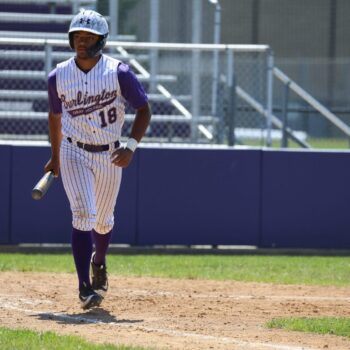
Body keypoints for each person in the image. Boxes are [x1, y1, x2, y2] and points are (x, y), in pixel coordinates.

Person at [44, 9, 151, 309]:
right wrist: (55, 156)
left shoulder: (119, 73)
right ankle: (84, 288)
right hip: (73, 150)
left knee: (103, 222)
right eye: (78, 36)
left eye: (88, 37)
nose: (81, 41)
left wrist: (131, 146)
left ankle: (99, 261)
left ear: (101, 40)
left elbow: (144, 109)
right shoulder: (58, 75)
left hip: (109, 153)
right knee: (83, 214)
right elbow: (54, 117)